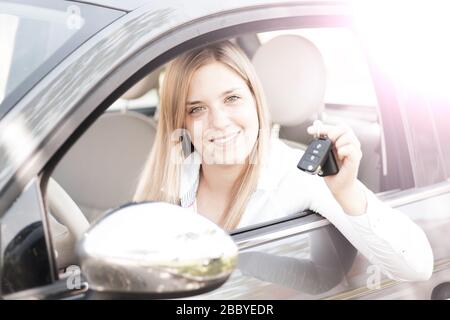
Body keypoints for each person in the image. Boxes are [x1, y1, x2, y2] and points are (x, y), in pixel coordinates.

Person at [134, 40, 433, 282]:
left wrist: (347, 192)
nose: (220, 122)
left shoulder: (301, 176)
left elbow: (416, 267)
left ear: (255, 99)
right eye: (197, 109)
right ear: (180, 121)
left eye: (232, 99)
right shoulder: (174, 179)